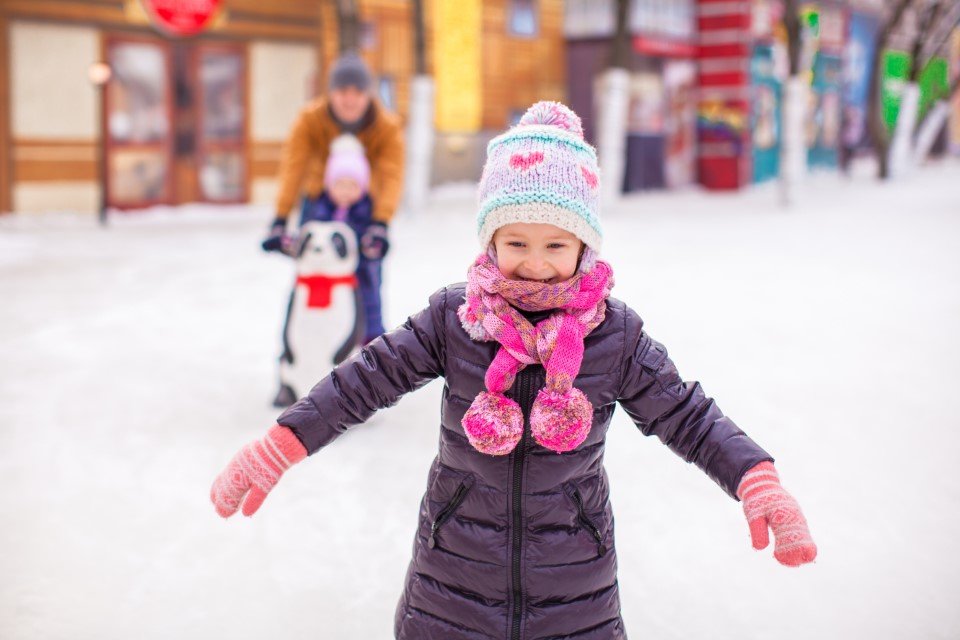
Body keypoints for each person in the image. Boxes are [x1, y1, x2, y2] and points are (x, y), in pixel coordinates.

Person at [213, 101, 817, 639]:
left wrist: (754, 476)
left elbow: (687, 415)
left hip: (574, 590)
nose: (535, 265)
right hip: (451, 581)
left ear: (585, 246)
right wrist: (283, 443)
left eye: (556, 245)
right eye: (516, 242)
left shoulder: (614, 335)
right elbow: (364, 379)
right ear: (490, 241)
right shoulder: (456, 319)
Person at [264, 52, 403, 345]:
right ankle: (299, 350)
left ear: (368, 94)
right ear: (330, 92)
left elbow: (391, 175)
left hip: (366, 207)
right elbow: (294, 166)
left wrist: (381, 221)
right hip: (319, 204)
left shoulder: (385, 126)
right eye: (342, 91)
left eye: (358, 92)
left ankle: (371, 350)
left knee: (368, 276)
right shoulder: (311, 119)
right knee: (311, 274)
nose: (349, 100)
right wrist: (280, 217)